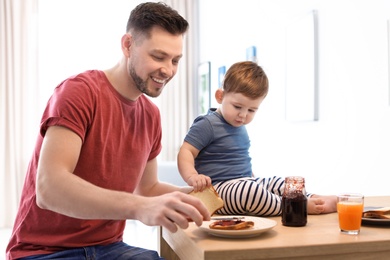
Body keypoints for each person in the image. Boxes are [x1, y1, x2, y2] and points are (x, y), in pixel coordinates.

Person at [6, 2, 210, 260]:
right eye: (158, 57)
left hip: (108, 248)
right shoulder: (78, 93)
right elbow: (49, 189)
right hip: (42, 252)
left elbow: (147, 190)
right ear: (127, 45)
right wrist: (140, 208)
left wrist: (196, 197)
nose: (168, 70)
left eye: (175, 60)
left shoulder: (151, 115)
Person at [178, 61, 337, 217]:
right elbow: (186, 151)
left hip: (243, 183)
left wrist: (257, 182)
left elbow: (242, 161)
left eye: (251, 110)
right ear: (220, 96)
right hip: (215, 191)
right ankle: (295, 207)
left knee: (278, 182)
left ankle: (313, 199)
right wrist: (192, 176)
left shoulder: (239, 125)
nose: (243, 115)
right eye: (237, 107)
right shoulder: (207, 124)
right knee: (250, 192)